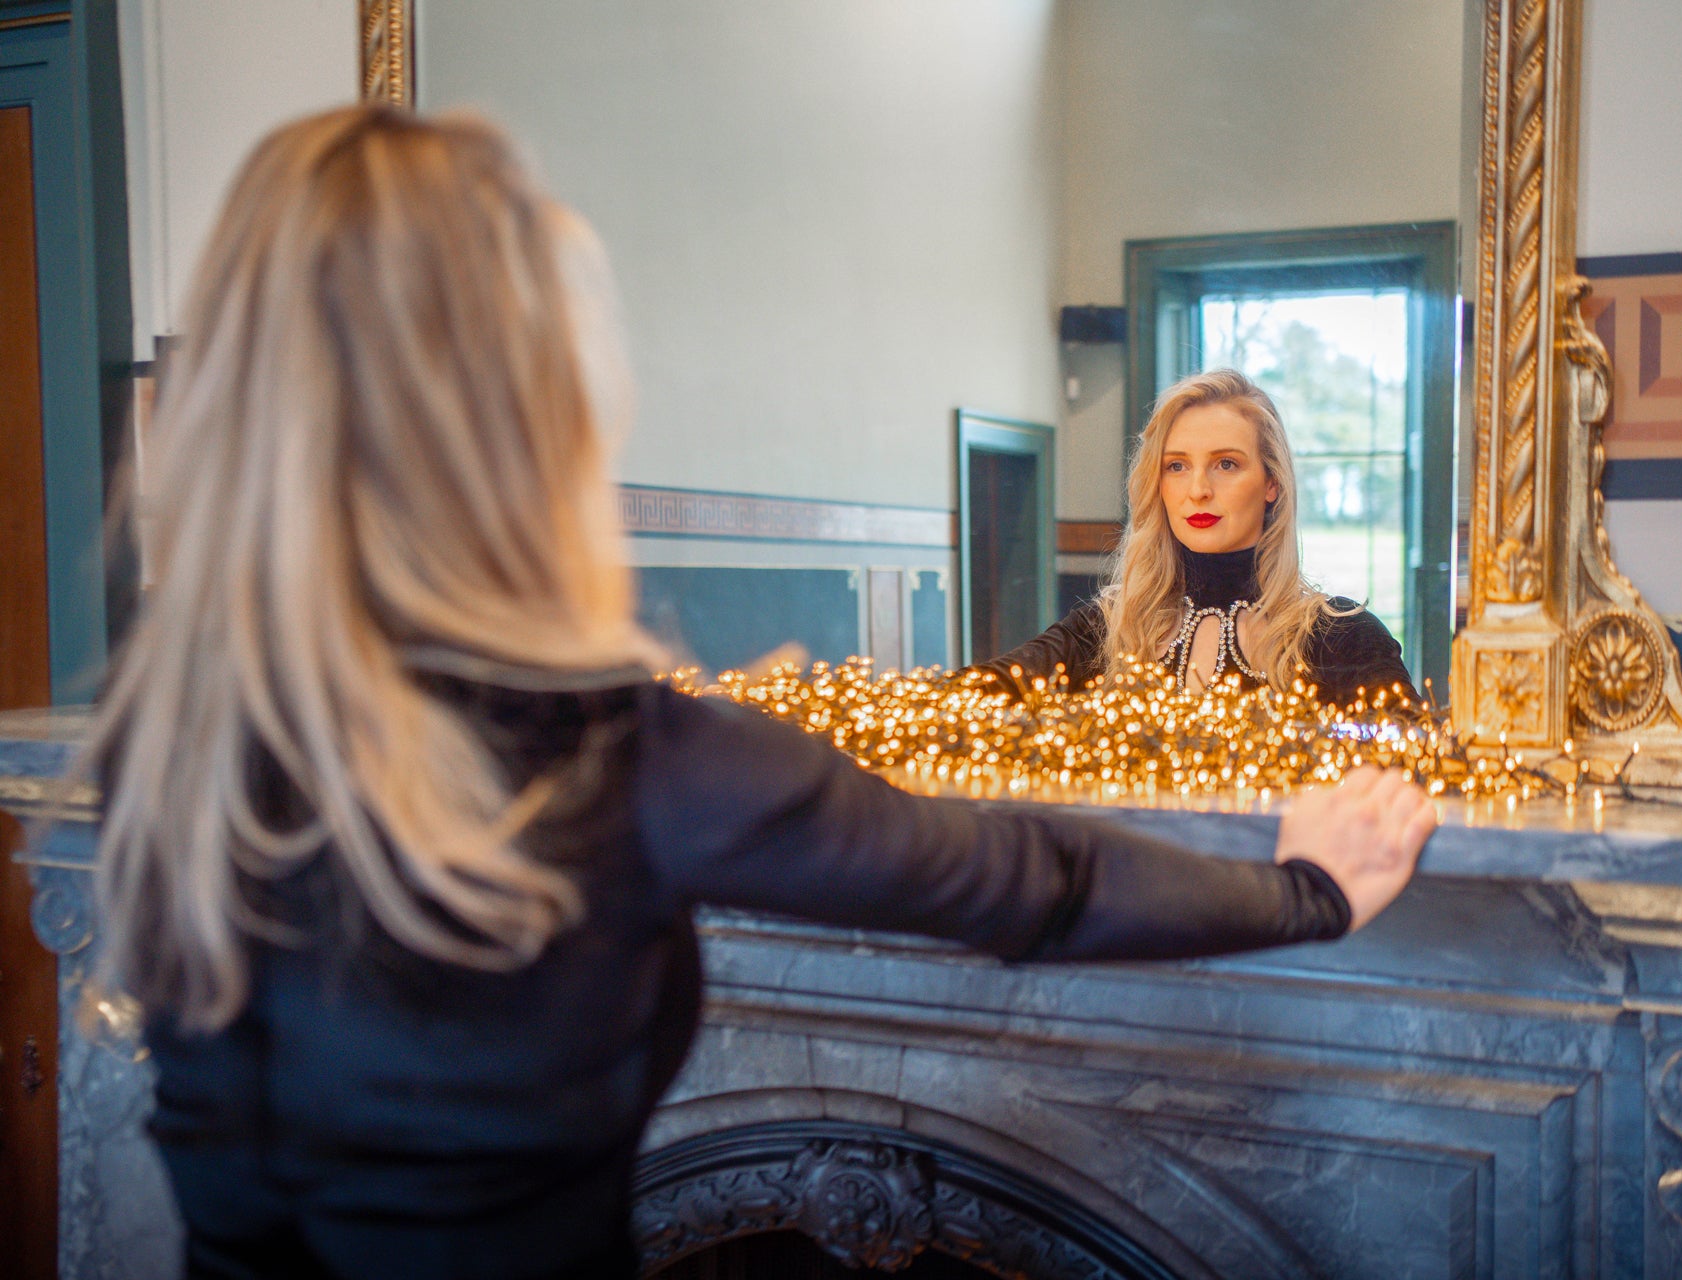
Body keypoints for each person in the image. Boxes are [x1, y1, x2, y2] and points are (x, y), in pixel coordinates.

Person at [82, 105, 1436, 1280]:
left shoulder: (168, 724)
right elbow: (1026, 882)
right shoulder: (615, 757)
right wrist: (1305, 893)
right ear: (526, 407)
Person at [978, 369, 1415, 707]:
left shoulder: (1342, 636)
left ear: (1272, 483)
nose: (1198, 490)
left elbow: (1414, 763)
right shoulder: (1110, 626)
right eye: (1177, 466)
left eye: (1226, 464)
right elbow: (979, 692)